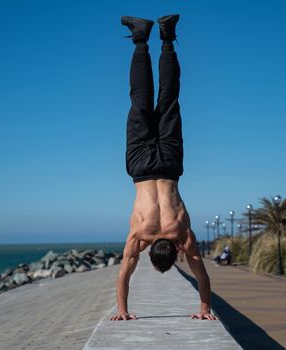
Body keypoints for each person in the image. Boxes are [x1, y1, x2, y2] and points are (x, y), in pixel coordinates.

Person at [110, 14, 217, 322]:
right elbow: (123, 276)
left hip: (169, 165)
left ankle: (167, 37)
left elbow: (201, 274)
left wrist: (205, 308)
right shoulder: (139, 236)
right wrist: (122, 311)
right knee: (139, 101)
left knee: (169, 100)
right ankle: (141, 39)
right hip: (141, 167)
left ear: (176, 251)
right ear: (150, 250)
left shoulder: (181, 233)